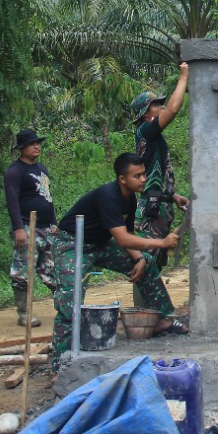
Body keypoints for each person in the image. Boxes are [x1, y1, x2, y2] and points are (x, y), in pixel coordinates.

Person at [48, 153, 188, 372]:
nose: (143, 179)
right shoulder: (108, 196)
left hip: (99, 244)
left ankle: (162, 319)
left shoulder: (130, 197)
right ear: (122, 179)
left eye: (143, 174)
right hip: (72, 244)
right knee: (70, 304)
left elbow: (128, 233)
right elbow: (122, 239)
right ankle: (59, 367)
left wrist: (139, 258)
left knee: (148, 263)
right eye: (137, 175)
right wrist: (162, 242)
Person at [130, 64, 190, 310]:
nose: (162, 107)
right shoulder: (146, 130)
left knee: (155, 260)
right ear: (146, 114)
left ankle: (149, 311)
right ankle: (143, 313)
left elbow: (153, 176)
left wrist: (172, 195)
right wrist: (184, 76)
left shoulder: (153, 137)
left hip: (159, 204)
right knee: (146, 259)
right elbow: (175, 109)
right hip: (152, 209)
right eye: (156, 105)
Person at [2, 128, 58, 326]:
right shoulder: (14, 171)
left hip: (47, 227)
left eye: (38, 143)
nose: (36, 146)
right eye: (31, 144)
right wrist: (19, 228)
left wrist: (54, 225)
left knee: (54, 269)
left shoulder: (41, 169)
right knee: (23, 271)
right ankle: (24, 314)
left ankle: (66, 309)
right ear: (22, 148)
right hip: (27, 226)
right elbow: (12, 201)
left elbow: (47, 198)